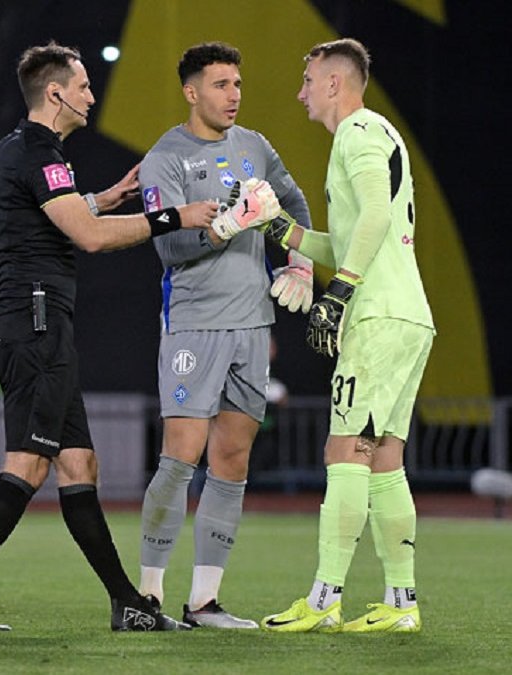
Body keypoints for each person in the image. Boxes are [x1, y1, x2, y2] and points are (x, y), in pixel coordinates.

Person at [0, 42, 222, 633]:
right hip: (33, 321)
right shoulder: (38, 152)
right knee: (29, 465)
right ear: (55, 93)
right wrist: (176, 217)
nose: (90, 94)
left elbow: (54, 218)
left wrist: (106, 198)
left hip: (35, 322)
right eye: (82, 86)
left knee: (79, 464)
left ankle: (127, 604)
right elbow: (89, 237)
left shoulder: (23, 150)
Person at [258, 38, 436, 633]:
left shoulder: (356, 132)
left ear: (335, 83)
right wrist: (280, 228)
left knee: (344, 452)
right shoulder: (378, 133)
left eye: (308, 81)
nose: (301, 93)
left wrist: (338, 292)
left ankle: (324, 599)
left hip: (377, 316)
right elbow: (351, 237)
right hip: (408, 315)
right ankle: (402, 604)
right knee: (383, 458)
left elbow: (376, 216)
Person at [136, 42, 312, 629]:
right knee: (180, 458)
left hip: (253, 325)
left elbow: (294, 204)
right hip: (194, 324)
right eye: (220, 84)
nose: (233, 95)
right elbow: (169, 247)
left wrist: (299, 261)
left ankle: (204, 602)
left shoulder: (255, 146)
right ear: (191, 92)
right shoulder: (165, 158)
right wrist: (226, 227)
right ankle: (148, 597)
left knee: (233, 459)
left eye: (237, 83)